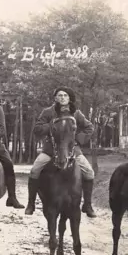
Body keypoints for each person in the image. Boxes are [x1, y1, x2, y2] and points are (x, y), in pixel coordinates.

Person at [24, 87, 97, 217]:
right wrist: (51, 125)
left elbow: (89, 127)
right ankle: (31, 203)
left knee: (89, 172)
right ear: (55, 98)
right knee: (35, 170)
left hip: (71, 149)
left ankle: (87, 204)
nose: (62, 97)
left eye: (65, 95)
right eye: (60, 95)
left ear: (69, 98)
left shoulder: (76, 113)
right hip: (51, 149)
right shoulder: (48, 112)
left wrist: (78, 140)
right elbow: (37, 128)